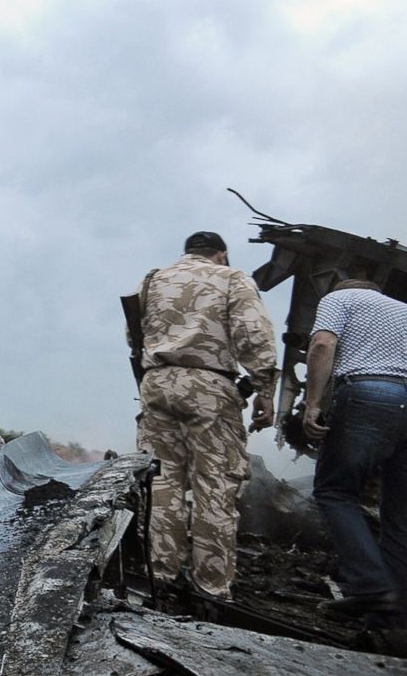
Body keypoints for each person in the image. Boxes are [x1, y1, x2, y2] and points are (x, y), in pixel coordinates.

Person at [133, 231, 278, 600]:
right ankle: (211, 585)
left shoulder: (152, 280)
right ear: (222, 254)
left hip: (156, 382)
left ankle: (161, 574)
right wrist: (264, 388)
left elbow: (134, 335)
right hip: (210, 388)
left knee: (162, 482)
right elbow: (253, 333)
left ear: (186, 253)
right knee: (214, 484)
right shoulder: (232, 278)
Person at [304, 279, 407, 618]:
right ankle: (392, 614)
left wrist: (313, 404)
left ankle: (370, 586)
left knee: (335, 491)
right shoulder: (404, 311)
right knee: (399, 514)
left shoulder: (340, 297)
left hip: (367, 394)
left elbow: (322, 343)